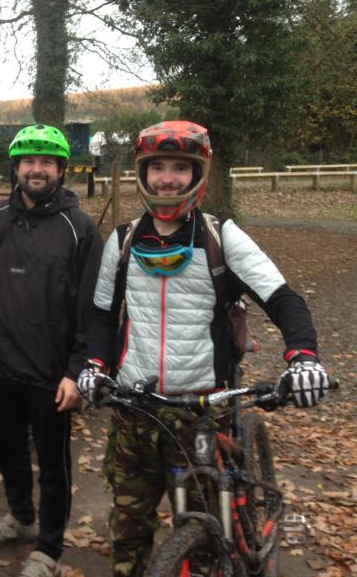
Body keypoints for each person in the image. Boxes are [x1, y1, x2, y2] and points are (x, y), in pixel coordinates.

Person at [76, 120, 331, 576]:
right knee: (128, 531)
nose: (167, 178)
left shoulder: (221, 236)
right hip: (135, 410)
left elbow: (282, 299)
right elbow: (100, 315)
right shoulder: (123, 240)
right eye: (157, 167)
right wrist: (94, 365)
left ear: (198, 175)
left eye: (180, 167)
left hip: (201, 412)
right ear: (143, 172)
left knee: (208, 538)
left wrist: (304, 356)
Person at [0, 124, 103, 577]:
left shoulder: (79, 227)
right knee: (9, 451)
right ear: (16, 167)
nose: (36, 169)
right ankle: (22, 518)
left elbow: (92, 306)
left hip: (52, 373)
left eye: (46, 161)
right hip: (1, 364)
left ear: (61, 169)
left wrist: (77, 369)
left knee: (54, 463)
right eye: (28, 161)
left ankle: (49, 548)